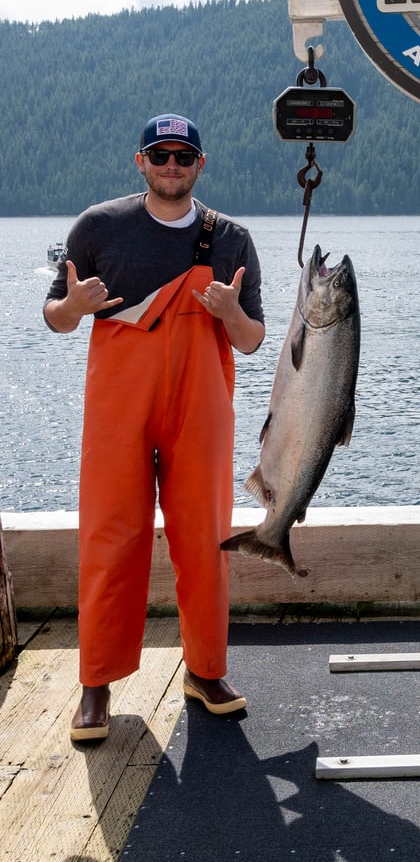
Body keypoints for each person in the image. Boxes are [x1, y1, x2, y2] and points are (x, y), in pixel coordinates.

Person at [44, 113, 265, 743]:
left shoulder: (232, 239)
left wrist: (229, 314)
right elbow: (56, 318)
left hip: (201, 408)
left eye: (183, 156)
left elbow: (252, 342)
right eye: (160, 155)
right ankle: (95, 685)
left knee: (204, 537)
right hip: (120, 408)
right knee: (111, 536)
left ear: (201, 164)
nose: (172, 166)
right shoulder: (98, 226)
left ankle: (206, 671)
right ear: (139, 162)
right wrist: (73, 307)